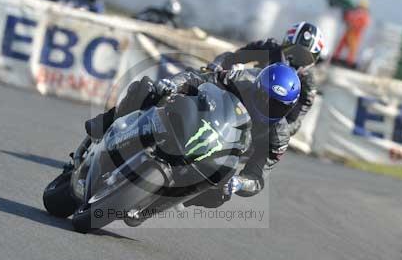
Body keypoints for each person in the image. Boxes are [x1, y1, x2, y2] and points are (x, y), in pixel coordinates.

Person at [83, 63, 300, 208]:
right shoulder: (239, 78)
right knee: (147, 89)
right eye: (265, 99)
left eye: (278, 107)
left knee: (221, 193)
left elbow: (258, 176)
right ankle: (107, 122)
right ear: (258, 87)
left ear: (288, 110)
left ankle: (154, 205)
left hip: (220, 154)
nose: (269, 108)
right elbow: (197, 77)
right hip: (196, 118)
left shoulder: (278, 137)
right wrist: (172, 85)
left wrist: (240, 183)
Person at [209, 22, 324, 136]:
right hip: (242, 101)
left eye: (305, 57)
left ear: (314, 61)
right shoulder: (269, 48)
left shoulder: (308, 87)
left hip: (264, 129)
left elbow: (294, 122)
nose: (297, 60)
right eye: (294, 52)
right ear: (284, 45)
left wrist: (276, 131)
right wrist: (216, 66)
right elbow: (232, 57)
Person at [332, 0, 370, 68]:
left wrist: (353, 24)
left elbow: (362, 24)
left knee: (352, 49)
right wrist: (345, 15)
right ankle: (335, 58)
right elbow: (348, 18)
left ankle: (349, 63)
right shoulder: (355, 12)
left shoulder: (365, 16)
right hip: (349, 32)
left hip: (355, 34)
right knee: (341, 46)